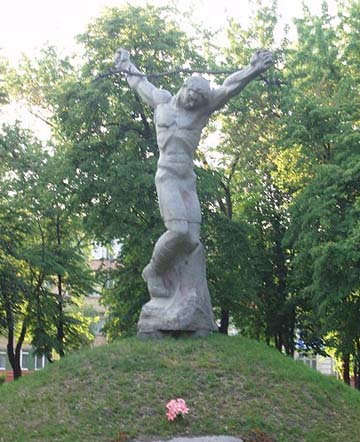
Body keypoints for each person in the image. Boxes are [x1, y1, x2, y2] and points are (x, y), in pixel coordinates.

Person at [114, 48, 273, 299]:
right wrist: (125, 64)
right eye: (192, 96)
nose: (193, 102)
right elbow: (139, 83)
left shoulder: (200, 110)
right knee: (178, 230)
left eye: (199, 99)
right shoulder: (162, 101)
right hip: (167, 176)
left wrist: (253, 69)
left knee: (191, 242)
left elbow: (229, 87)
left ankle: (185, 295)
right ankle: (153, 272)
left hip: (186, 179)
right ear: (184, 86)